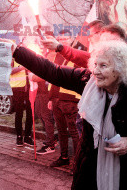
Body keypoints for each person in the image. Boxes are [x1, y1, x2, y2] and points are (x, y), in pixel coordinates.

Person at [10, 39, 127, 189]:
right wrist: (17, 51)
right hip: (92, 171)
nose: (96, 71)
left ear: (122, 69)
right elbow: (53, 71)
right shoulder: (88, 81)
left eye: (104, 66)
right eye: (95, 64)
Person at [47, 30, 81, 168]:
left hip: (71, 100)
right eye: (60, 38)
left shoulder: (76, 56)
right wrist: (51, 98)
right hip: (57, 99)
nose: (62, 40)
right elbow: (54, 78)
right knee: (61, 131)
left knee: (75, 132)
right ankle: (64, 157)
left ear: (71, 40)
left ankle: (78, 163)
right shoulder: (57, 56)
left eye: (65, 38)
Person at [9, 61, 33, 147]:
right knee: (19, 113)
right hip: (17, 88)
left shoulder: (28, 57)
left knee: (30, 113)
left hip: (30, 87)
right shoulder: (12, 58)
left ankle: (28, 136)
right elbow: (9, 71)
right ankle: (19, 136)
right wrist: (21, 68)